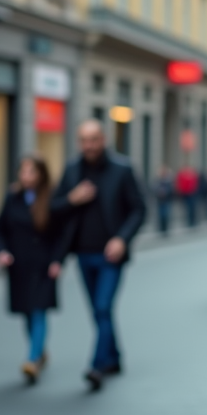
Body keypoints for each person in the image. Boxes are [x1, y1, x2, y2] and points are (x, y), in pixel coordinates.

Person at [52, 120, 147, 391]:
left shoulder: (122, 169)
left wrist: (122, 239)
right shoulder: (72, 171)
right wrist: (73, 199)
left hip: (111, 255)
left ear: (103, 139)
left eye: (93, 139)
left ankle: (97, 365)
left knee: (103, 307)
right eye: (84, 140)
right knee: (98, 311)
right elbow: (55, 208)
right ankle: (114, 357)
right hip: (83, 253)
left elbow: (139, 209)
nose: (89, 145)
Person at [0, 156, 63, 384]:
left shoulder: (52, 198)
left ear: (41, 175)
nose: (26, 177)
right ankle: (39, 350)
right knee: (25, 311)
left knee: (38, 309)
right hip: (19, 264)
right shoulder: (13, 197)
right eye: (23, 172)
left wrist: (57, 260)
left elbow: (61, 233)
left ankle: (32, 359)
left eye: (31, 172)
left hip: (43, 265)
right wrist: (2, 251)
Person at [151, 166, 175, 235]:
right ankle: (161, 228)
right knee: (160, 215)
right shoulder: (157, 180)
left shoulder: (168, 181)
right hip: (160, 200)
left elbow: (172, 190)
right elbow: (153, 188)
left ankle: (165, 229)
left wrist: (166, 192)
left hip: (167, 200)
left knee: (166, 214)